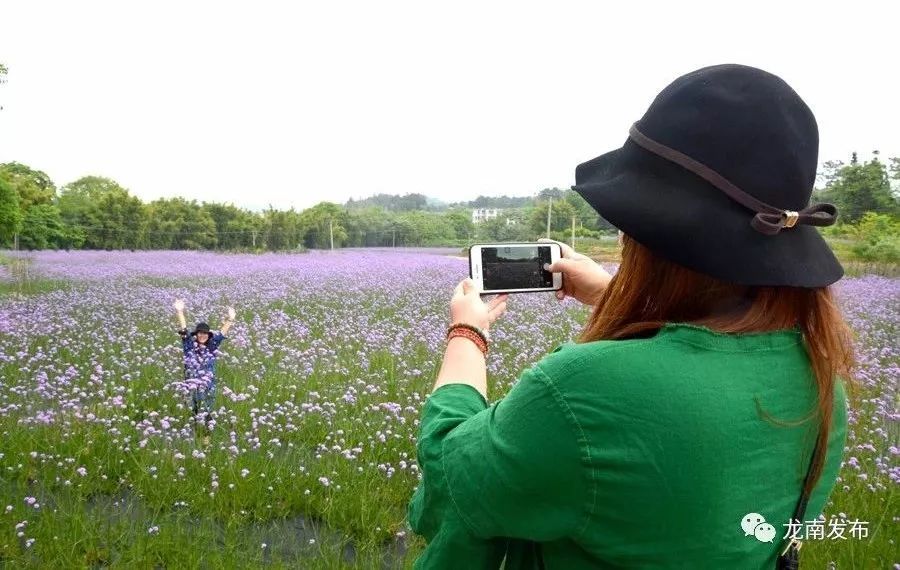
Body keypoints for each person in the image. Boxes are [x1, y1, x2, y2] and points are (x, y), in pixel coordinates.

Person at [407, 64, 854, 569]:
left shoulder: (583, 389)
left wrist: (467, 333)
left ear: (649, 234)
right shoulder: (820, 383)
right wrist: (615, 294)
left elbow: (451, 479)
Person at [173, 299, 235, 421]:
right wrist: (179, 311)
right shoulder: (189, 346)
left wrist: (231, 319)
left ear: (208, 336)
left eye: (205, 334)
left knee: (207, 415)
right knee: (193, 414)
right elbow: (184, 329)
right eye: (200, 333)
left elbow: (221, 334)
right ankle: (195, 436)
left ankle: (205, 439)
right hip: (191, 386)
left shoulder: (212, 347)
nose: (202, 335)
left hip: (208, 387)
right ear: (196, 334)